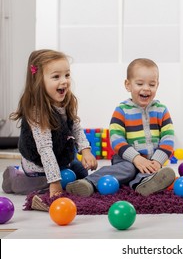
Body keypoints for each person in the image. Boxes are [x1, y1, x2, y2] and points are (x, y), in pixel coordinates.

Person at [66, 58, 175, 197]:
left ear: (157, 86)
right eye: (140, 83)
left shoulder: (161, 110)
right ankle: (88, 182)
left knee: (150, 171)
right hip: (126, 159)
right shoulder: (122, 110)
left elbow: (168, 138)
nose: (146, 88)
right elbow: (116, 139)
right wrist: (135, 158)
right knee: (128, 169)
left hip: (151, 159)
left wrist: (157, 161)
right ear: (128, 85)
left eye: (152, 84)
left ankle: (143, 184)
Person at [2, 49, 97, 207]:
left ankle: (64, 179)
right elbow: (45, 149)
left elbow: (75, 127)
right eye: (56, 77)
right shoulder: (37, 112)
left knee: (81, 172)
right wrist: (54, 181)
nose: (64, 81)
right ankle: (14, 177)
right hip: (38, 166)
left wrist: (85, 150)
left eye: (67, 75)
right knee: (46, 186)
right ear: (39, 81)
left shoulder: (66, 100)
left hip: (60, 159)